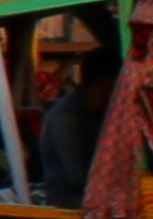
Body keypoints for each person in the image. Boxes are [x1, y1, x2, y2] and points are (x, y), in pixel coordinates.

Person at [31, 44, 121, 208]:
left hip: (99, 200)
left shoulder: (103, 113)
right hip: (70, 205)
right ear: (104, 83)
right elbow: (79, 178)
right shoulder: (64, 117)